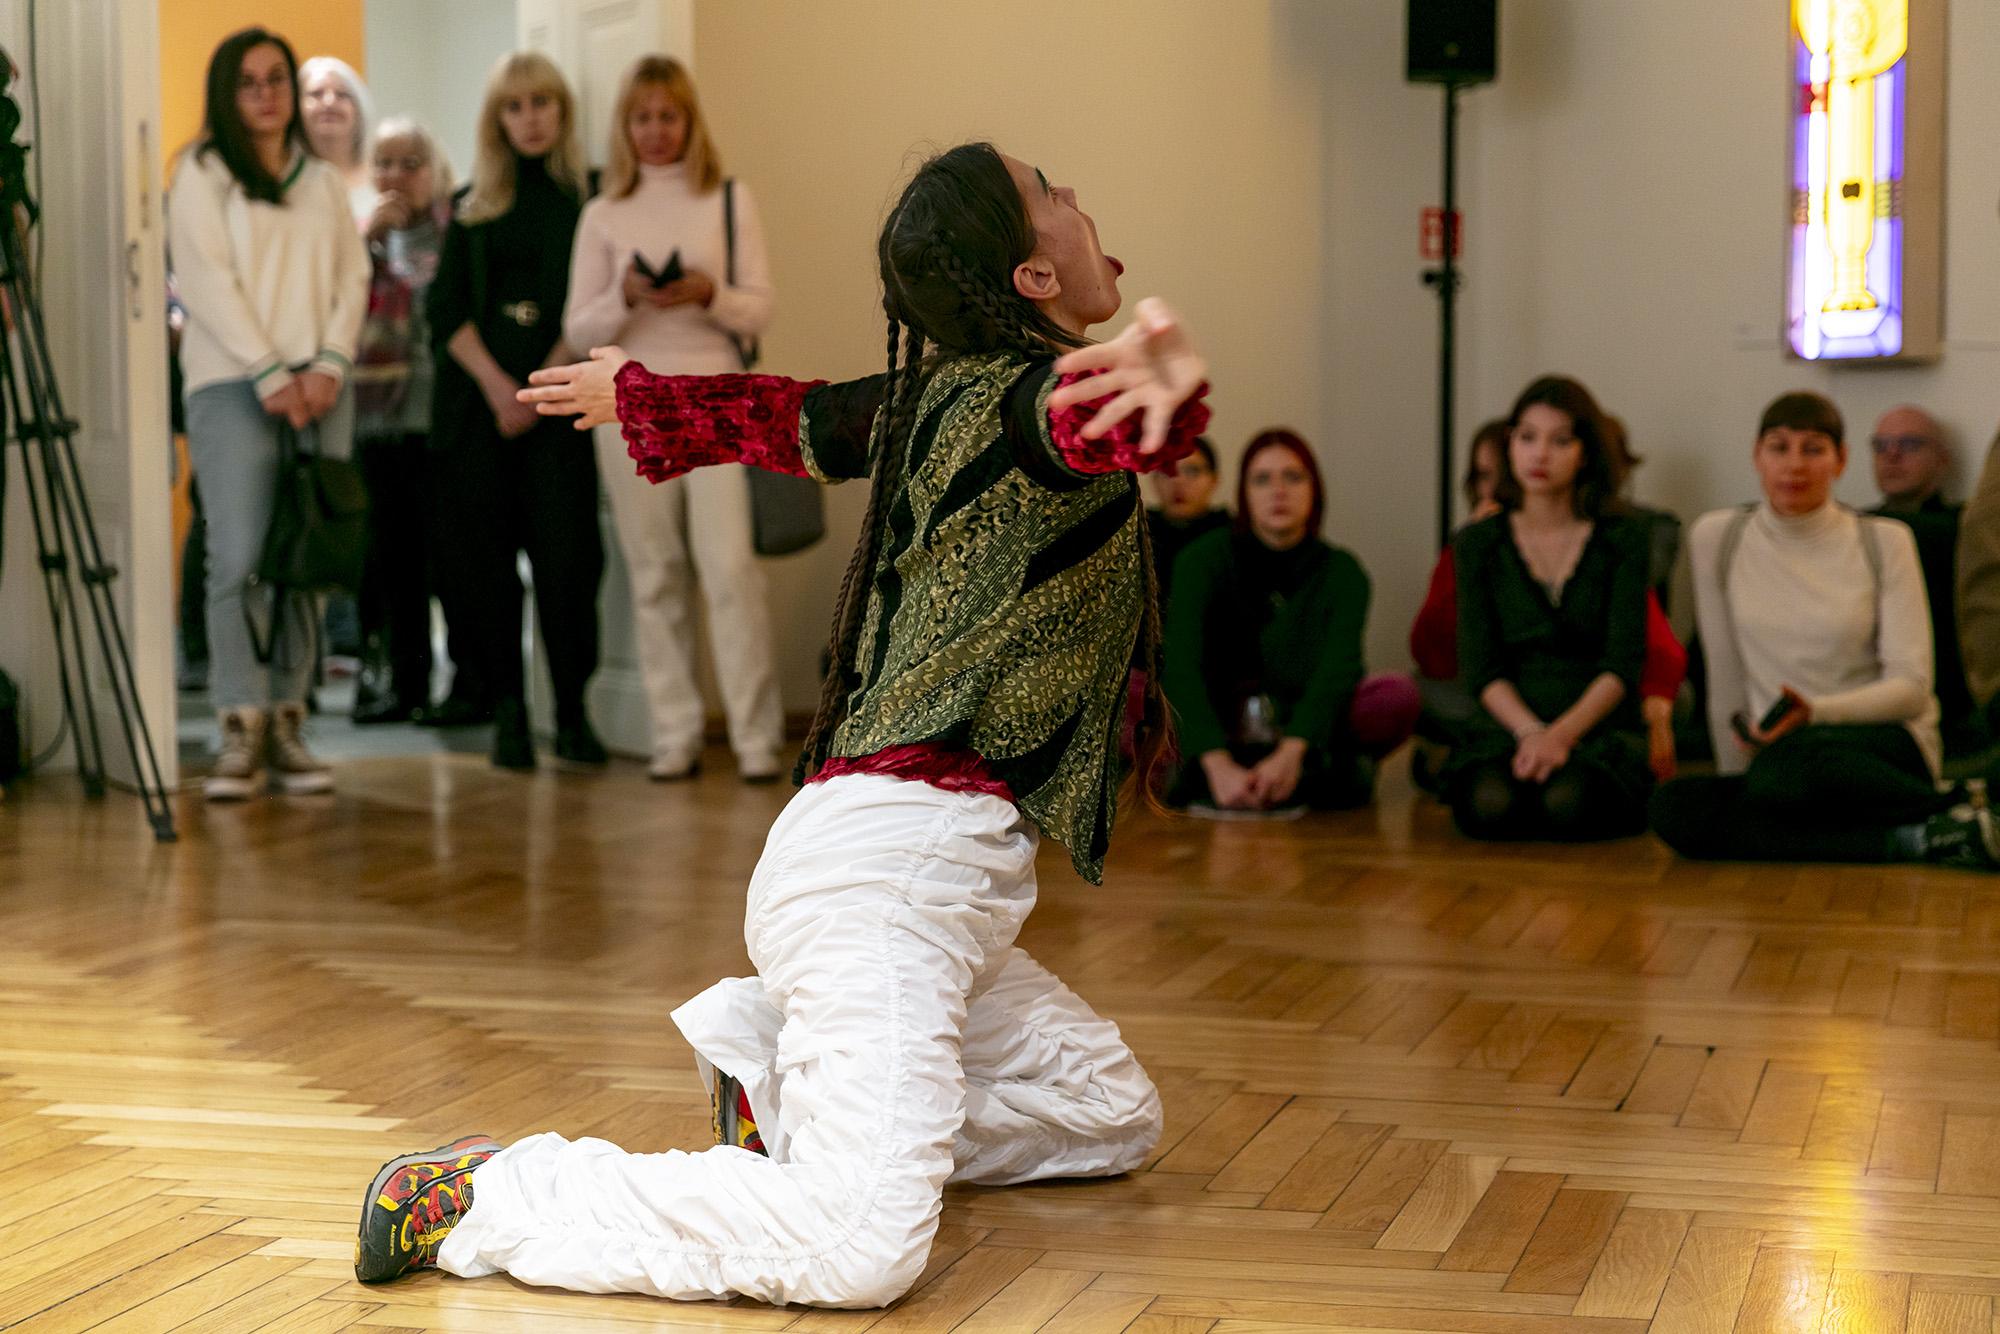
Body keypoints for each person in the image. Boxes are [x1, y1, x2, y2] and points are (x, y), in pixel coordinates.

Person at [353, 140, 1206, 1309]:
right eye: (1050, 192)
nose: (1076, 197)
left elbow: (789, 414)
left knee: (1108, 1109)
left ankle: (775, 1085)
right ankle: (487, 1193)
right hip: (887, 879)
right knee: (859, 1246)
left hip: (929, 875)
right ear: (1033, 278)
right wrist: (1154, 398)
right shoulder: (1029, 406)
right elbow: (1078, 417)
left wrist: (643, 396)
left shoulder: (926, 400)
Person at [1650, 392, 1995, 867]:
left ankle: (1941, 803)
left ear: (1841, 460)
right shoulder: (1718, 536)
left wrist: (1815, 713)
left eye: (1813, 449)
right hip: (1780, 756)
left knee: (1795, 767)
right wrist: (1744, 776)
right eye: (1779, 447)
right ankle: (1927, 834)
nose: (1795, 464)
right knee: (1672, 809)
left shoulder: (1884, 540)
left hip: (1878, 744)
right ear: (1757, 456)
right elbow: (1726, 680)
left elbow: (1912, 690)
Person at [563, 55, 782, 781]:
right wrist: (627, 297)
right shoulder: (602, 212)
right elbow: (577, 327)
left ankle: (755, 739)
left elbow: (760, 308)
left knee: (730, 570)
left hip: (718, 399)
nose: (656, 131)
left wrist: (709, 293)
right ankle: (675, 734)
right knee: (654, 572)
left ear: (690, 123)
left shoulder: (729, 198)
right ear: (625, 128)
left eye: (668, 116)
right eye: (642, 118)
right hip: (630, 403)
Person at [167, 27, 368, 801]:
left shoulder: (321, 181)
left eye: (276, 78)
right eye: (248, 82)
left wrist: (329, 364)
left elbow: (353, 277)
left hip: (321, 389)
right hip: (232, 387)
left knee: (307, 554)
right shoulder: (201, 172)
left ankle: (289, 719)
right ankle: (238, 724)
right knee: (240, 556)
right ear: (227, 92)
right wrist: (270, 372)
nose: (265, 94)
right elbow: (205, 281)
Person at [427, 52, 604, 770]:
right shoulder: (471, 207)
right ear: (497, 119)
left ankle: (573, 716)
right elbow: (445, 312)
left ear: (562, 110)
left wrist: (541, 386)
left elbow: (591, 308)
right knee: (487, 573)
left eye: (542, 102)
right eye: (515, 106)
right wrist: (502, 390)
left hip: (560, 414)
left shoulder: (589, 201)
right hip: (481, 417)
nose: (530, 118)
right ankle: (508, 715)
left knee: (569, 569)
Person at [1442, 376, 1653, 841]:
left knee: (1568, 805)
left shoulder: (1624, 538)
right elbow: (1481, 666)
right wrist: (1531, 733)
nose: (1540, 455)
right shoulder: (1477, 543)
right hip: (1508, 720)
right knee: (1491, 806)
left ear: (1585, 452)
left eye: (1560, 441)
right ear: (1509, 444)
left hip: (1594, 721)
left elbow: (1622, 663)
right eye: (1527, 437)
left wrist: (1560, 736)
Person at [1163, 428, 1417, 814]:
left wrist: (1292, 751)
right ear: (1244, 493)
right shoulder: (1201, 561)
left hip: (1303, 724)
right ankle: (1204, 768)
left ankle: (1302, 768)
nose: (1278, 491)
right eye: (1262, 479)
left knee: (1396, 695)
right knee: (1133, 695)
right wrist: (1215, 761)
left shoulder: (1343, 572)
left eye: (1293, 477)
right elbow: (1181, 665)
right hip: (1217, 720)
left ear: (1315, 489)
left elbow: (1339, 669)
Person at [348, 118, 451, 725]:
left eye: (410, 163)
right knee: (390, 555)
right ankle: (401, 681)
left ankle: (463, 683)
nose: (396, 176)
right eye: (384, 163)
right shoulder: (359, 239)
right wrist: (366, 246)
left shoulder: (453, 232)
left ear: (434, 172)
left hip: (439, 414)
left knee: (446, 553)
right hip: (375, 415)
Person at [1866, 405, 1972, 750]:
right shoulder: (1855, 528)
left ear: (1942, 458)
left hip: (1950, 700)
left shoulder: (1963, 529)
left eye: (1909, 444)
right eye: (1881, 445)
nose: (1892, 455)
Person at [1145, 435, 1226, 604]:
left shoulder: (1230, 537)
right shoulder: (1138, 536)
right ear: (1154, 480)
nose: (1178, 481)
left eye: (1192, 471)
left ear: (1214, 480)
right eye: (1167, 470)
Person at [299, 55, 376, 221]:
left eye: (342, 94)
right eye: (316, 94)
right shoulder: (283, 182)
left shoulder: (382, 180)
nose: (329, 102)